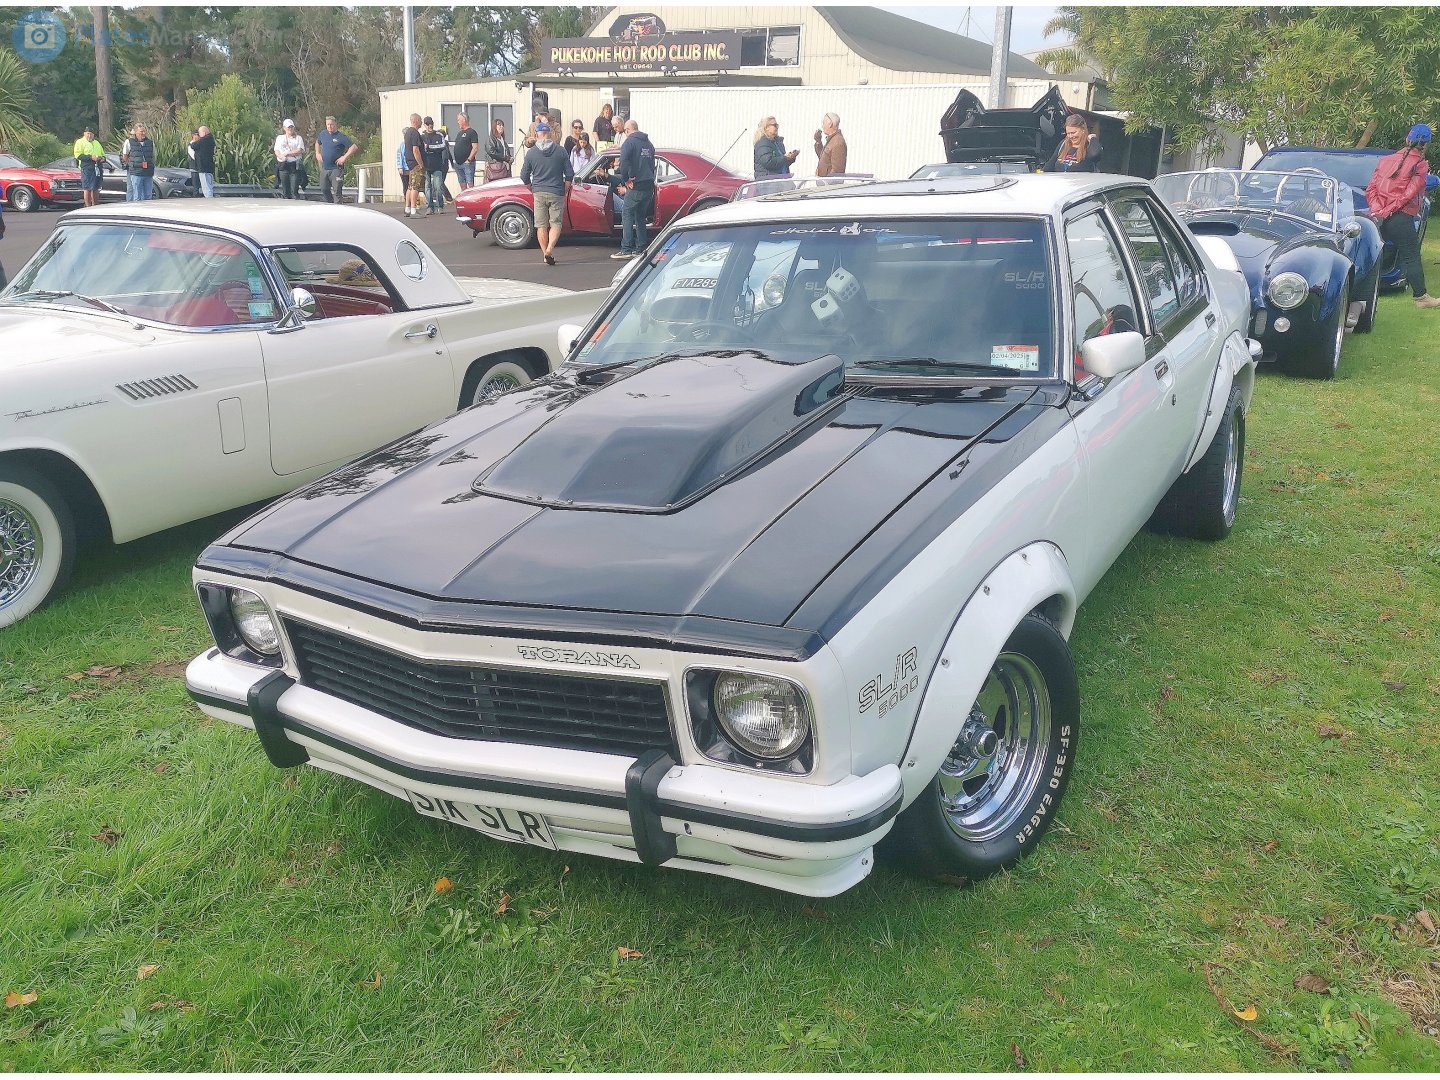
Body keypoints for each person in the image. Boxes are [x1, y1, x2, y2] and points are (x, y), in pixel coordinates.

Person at [1366, 123, 1440, 309]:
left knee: (1369, 254)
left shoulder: (1385, 160)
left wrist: (1377, 210)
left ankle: (1362, 294)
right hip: (1400, 217)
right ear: (1426, 144)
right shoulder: (1420, 164)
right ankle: (1421, 298)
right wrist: (1388, 210)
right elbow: (1408, 195)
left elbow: (1371, 189)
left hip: (1376, 216)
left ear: (1408, 138)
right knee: (1411, 256)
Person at [519, 120, 573, 266]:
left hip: (539, 192)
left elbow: (524, 175)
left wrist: (531, 187)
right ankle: (550, 249)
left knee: (541, 225)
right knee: (556, 223)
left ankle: (545, 254)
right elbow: (569, 174)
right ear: (549, 134)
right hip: (556, 191)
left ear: (537, 135)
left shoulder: (531, 153)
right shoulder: (560, 151)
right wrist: (565, 189)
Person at [613, 118, 656, 259]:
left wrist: (626, 179)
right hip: (649, 185)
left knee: (627, 214)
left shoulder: (629, 142)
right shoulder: (649, 144)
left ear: (627, 130)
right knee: (640, 216)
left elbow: (623, 163)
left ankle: (626, 249)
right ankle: (641, 247)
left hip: (636, 184)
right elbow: (651, 164)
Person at [314, 115, 356, 204]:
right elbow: (317, 142)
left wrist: (344, 157)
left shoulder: (340, 136)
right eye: (328, 125)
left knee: (337, 191)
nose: (329, 126)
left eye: (331, 124)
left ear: (335, 124)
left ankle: (339, 208)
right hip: (325, 168)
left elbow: (353, 147)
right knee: (324, 189)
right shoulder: (323, 134)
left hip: (336, 168)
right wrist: (317, 153)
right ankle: (330, 205)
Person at [421, 116, 449, 215]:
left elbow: (442, 146)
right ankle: (429, 207)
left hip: (437, 165)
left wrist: (429, 147)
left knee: (438, 186)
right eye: (428, 124)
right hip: (426, 165)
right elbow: (420, 149)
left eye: (431, 123)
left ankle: (440, 206)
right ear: (424, 125)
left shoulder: (439, 135)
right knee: (427, 187)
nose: (430, 125)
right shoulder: (422, 136)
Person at [121, 122, 156, 201]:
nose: (143, 133)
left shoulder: (150, 143)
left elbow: (153, 156)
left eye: (144, 131)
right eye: (141, 131)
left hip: (148, 172)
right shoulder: (129, 142)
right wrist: (132, 164)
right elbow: (125, 156)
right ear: (136, 132)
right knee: (137, 196)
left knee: (148, 196)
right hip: (136, 172)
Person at [74, 126, 105, 206]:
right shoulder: (80, 142)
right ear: (84, 133)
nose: (89, 135)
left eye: (91, 134)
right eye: (88, 133)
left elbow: (103, 155)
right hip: (87, 168)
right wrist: (90, 157)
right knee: (87, 188)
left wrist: (102, 158)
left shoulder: (97, 143)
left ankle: (95, 205)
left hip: (97, 168)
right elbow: (78, 155)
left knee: (95, 188)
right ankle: (87, 206)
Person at [274, 118, 305, 199]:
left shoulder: (298, 138)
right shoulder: (280, 138)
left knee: (294, 189)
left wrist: (287, 153)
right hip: (283, 165)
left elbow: (299, 150)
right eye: (288, 127)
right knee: (285, 189)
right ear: (284, 128)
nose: (290, 129)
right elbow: (276, 150)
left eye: (291, 127)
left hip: (294, 165)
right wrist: (280, 156)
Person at [402, 112, 425, 216]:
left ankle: (407, 208)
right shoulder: (415, 133)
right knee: (415, 186)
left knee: (410, 186)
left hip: (409, 162)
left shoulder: (407, 132)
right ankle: (413, 210)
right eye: (420, 120)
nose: (421, 122)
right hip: (415, 163)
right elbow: (415, 149)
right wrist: (420, 163)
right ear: (415, 120)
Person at [813, 112, 848, 177]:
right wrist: (818, 142)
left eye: (823, 123)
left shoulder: (838, 142)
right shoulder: (832, 140)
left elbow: (837, 172)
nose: (822, 126)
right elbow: (824, 158)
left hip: (829, 186)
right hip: (824, 184)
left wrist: (826, 182)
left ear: (830, 124)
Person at [452, 112, 479, 191]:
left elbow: (475, 148)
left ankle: (471, 201)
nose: (458, 122)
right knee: (462, 184)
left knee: (470, 185)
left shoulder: (472, 132)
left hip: (467, 163)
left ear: (464, 120)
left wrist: (469, 159)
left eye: (459, 120)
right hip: (458, 163)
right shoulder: (459, 133)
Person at [188, 125, 216, 197]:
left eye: (199, 133)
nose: (199, 135)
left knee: (205, 185)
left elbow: (194, 145)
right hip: (209, 166)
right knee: (209, 184)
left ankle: (208, 198)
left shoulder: (204, 140)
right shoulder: (211, 140)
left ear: (203, 133)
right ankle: (210, 196)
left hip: (203, 167)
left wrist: (194, 141)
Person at [484, 118, 512, 183]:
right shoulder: (491, 139)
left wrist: (510, 157)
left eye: (502, 125)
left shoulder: (502, 140)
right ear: (494, 127)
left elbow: (506, 152)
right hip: (495, 169)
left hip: (504, 169)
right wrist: (505, 158)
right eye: (499, 125)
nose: (501, 127)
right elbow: (491, 152)